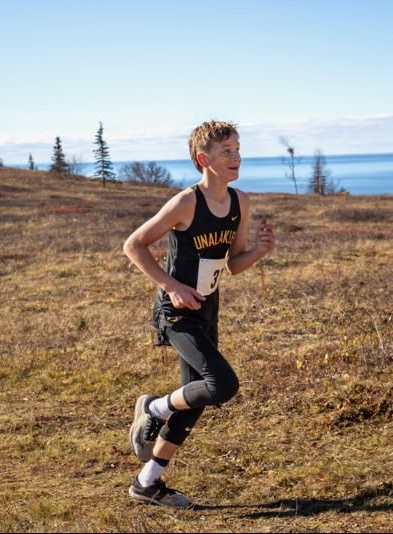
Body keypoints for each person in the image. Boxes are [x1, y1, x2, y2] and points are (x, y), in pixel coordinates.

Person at [123, 120, 275, 508]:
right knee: (223, 384)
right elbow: (134, 246)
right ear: (203, 160)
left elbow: (233, 264)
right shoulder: (186, 202)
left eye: (239, 149)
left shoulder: (240, 202)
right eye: (227, 152)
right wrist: (171, 286)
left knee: (196, 402)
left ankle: (147, 482)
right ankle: (154, 407)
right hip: (177, 314)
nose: (236, 156)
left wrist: (258, 251)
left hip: (208, 309)